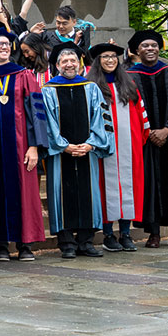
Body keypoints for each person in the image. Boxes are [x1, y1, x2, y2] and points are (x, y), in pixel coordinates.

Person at [0, 27, 47, 261]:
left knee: (24, 192)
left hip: (21, 146)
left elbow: (37, 113)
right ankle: (0, 244)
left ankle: (25, 244)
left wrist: (34, 146)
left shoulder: (24, 75)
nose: (4, 47)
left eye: (7, 44)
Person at [41, 43, 114, 259]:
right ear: (57, 65)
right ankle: (67, 244)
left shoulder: (91, 88)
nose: (69, 64)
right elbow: (46, 122)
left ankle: (86, 242)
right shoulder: (47, 90)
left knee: (88, 194)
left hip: (87, 151)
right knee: (61, 194)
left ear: (79, 63)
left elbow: (102, 119)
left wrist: (91, 143)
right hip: (60, 154)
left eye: (73, 60)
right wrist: (64, 145)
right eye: (65, 61)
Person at [88, 42, 147, 251]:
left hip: (129, 147)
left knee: (129, 188)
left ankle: (126, 233)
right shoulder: (90, 86)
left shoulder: (129, 84)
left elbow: (142, 116)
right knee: (105, 188)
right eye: (105, 56)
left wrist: (140, 140)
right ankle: (107, 234)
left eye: (113, 56)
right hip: (103, 148)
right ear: (98, 61)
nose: (110, 60)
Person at [125, 30, 168, 248]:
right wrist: (148, 132)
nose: (150, 49)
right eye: (145, 46)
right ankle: (153, 233)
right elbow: (127, 109)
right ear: (137, 50)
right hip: (144, 140)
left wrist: (167, 129)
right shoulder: (129, 76)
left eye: (154, 45)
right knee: (149, 182)